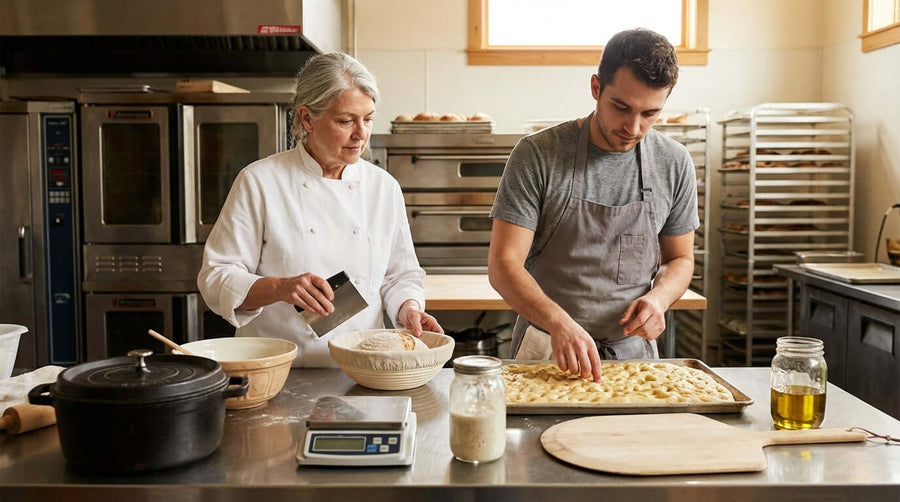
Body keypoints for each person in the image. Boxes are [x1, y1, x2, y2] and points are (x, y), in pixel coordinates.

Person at [198, 52, 442, 367]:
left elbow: (400, 274)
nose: (361, 133)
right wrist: (280, 287)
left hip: (362, 367)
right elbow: (216, 277)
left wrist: (408, 308)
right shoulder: (260, 181)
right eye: (345, 120)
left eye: (367, 118)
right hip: (277, 367)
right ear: (307, 118)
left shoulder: (384, 188)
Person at [488, 28, 698, 382]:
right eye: (621, 107)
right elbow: (503, 264)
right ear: (596, 88)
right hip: (546, 351)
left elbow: (680, 259)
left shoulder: (674, 163)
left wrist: (660, 298)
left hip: (633, 358)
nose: (634, 127)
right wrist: (558, 323)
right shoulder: (538, 155)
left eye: (650, 113)